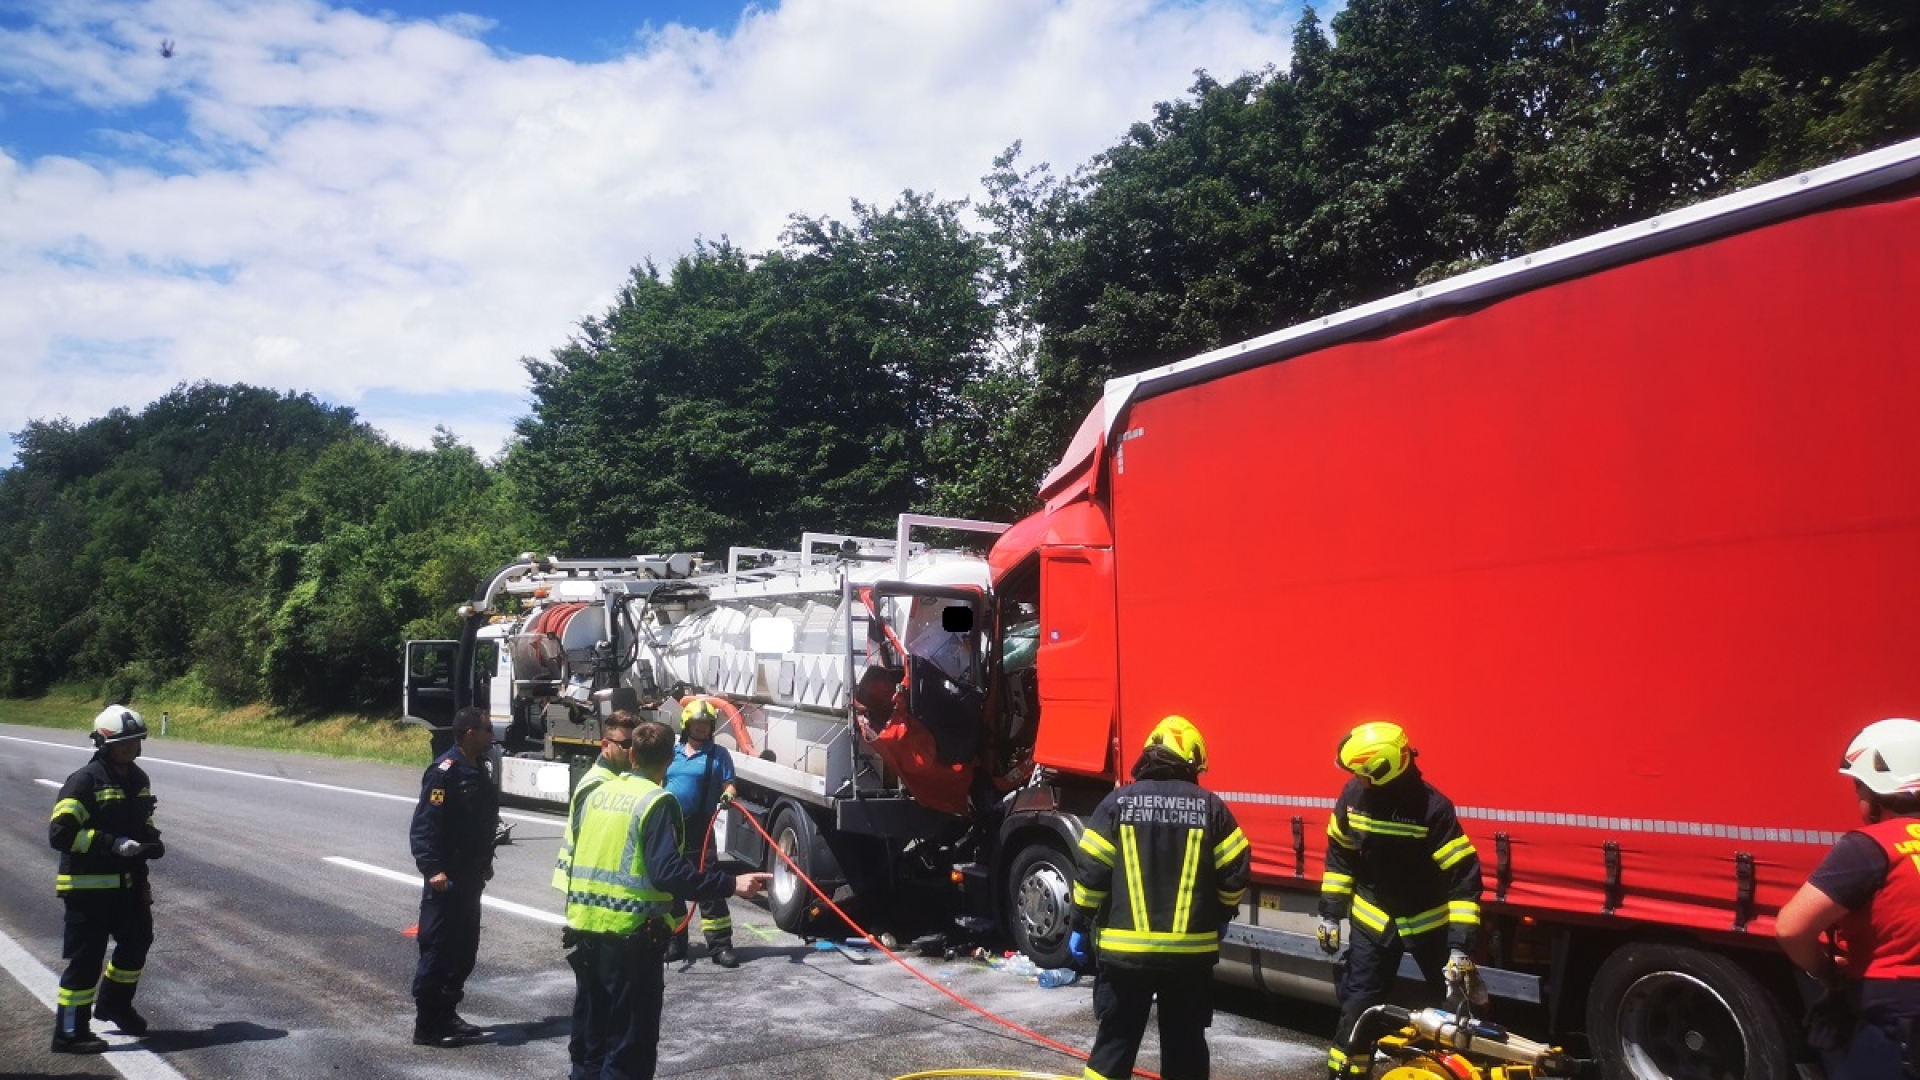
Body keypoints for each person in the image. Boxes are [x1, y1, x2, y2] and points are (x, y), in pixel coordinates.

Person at [563, 718, 769, 1080]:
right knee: (628, 1048)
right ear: (668, 761)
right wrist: (730, 885)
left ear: (632, 754)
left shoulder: (597, 792)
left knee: (592, 1043)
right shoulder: (657, 802)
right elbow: (668, 873)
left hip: (586, 930)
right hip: (630, 938)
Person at [1068, 715, 1251, 1080]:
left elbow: (1091, 872)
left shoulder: (1116, 804)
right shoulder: (1210, 808)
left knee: (1114, 1043)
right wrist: (1222, 913)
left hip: (1124, 956)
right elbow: (1236, 871)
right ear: (1189, 760)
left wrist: (1079, 923)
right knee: (1185, 1047)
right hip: (1189, 958)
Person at [1317, 720, 1486, 1080]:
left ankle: (1460, 1072)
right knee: (1358, 1006)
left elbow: (1463, 879)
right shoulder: (1353, 797)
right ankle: (1345, 1074)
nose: (1355, 779)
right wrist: (1329, 915)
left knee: (1457, 1010)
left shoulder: (1433, 810)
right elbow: (1340, 858)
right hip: (1372, 919)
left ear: (1383, 770)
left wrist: (1460, 949)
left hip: (1429, 921)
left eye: (1361, 773)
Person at [1776, 717, 1920, 1079]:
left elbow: (1792, 929)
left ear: (1873, 792)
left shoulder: (1870, 848)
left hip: (1892, 1012)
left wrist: (1825, 972)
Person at [47, 705, 165, 1053]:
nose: (129, 749)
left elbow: (139, 821)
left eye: (134, 742)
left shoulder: (138, 779)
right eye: (122, 743)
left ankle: (114, 1004)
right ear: (103, 744)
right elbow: (60, 834)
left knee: (137, 942)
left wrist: (150, 840)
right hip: (88, 891)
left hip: (128, 887)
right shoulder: (84, 781)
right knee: (86, 963)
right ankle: (69, 1032)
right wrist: (110, 844)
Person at [409, 705, 500, 1047]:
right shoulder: (444, 772)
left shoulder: (478, 769)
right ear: (469, 733)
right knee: (438, 946)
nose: (492, 735)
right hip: (447, 877)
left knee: (464, 949)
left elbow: (480, 823)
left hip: (470, 875)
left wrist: (485, 859)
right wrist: (432, 868)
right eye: (487, 729)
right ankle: (427, 1023)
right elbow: (425, 825)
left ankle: (447, 1013)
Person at [662, 699, 740, 966]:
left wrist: (727, 796)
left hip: (701, 828)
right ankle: (675, 940)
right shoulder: (673, 753)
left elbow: (730, 785)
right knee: (672, 886)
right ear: (686, 725)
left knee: (708, 883)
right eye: (697, 724)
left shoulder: (719, 755)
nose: (702, 729)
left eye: (706, 724)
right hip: (672, 827)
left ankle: (719, 946)